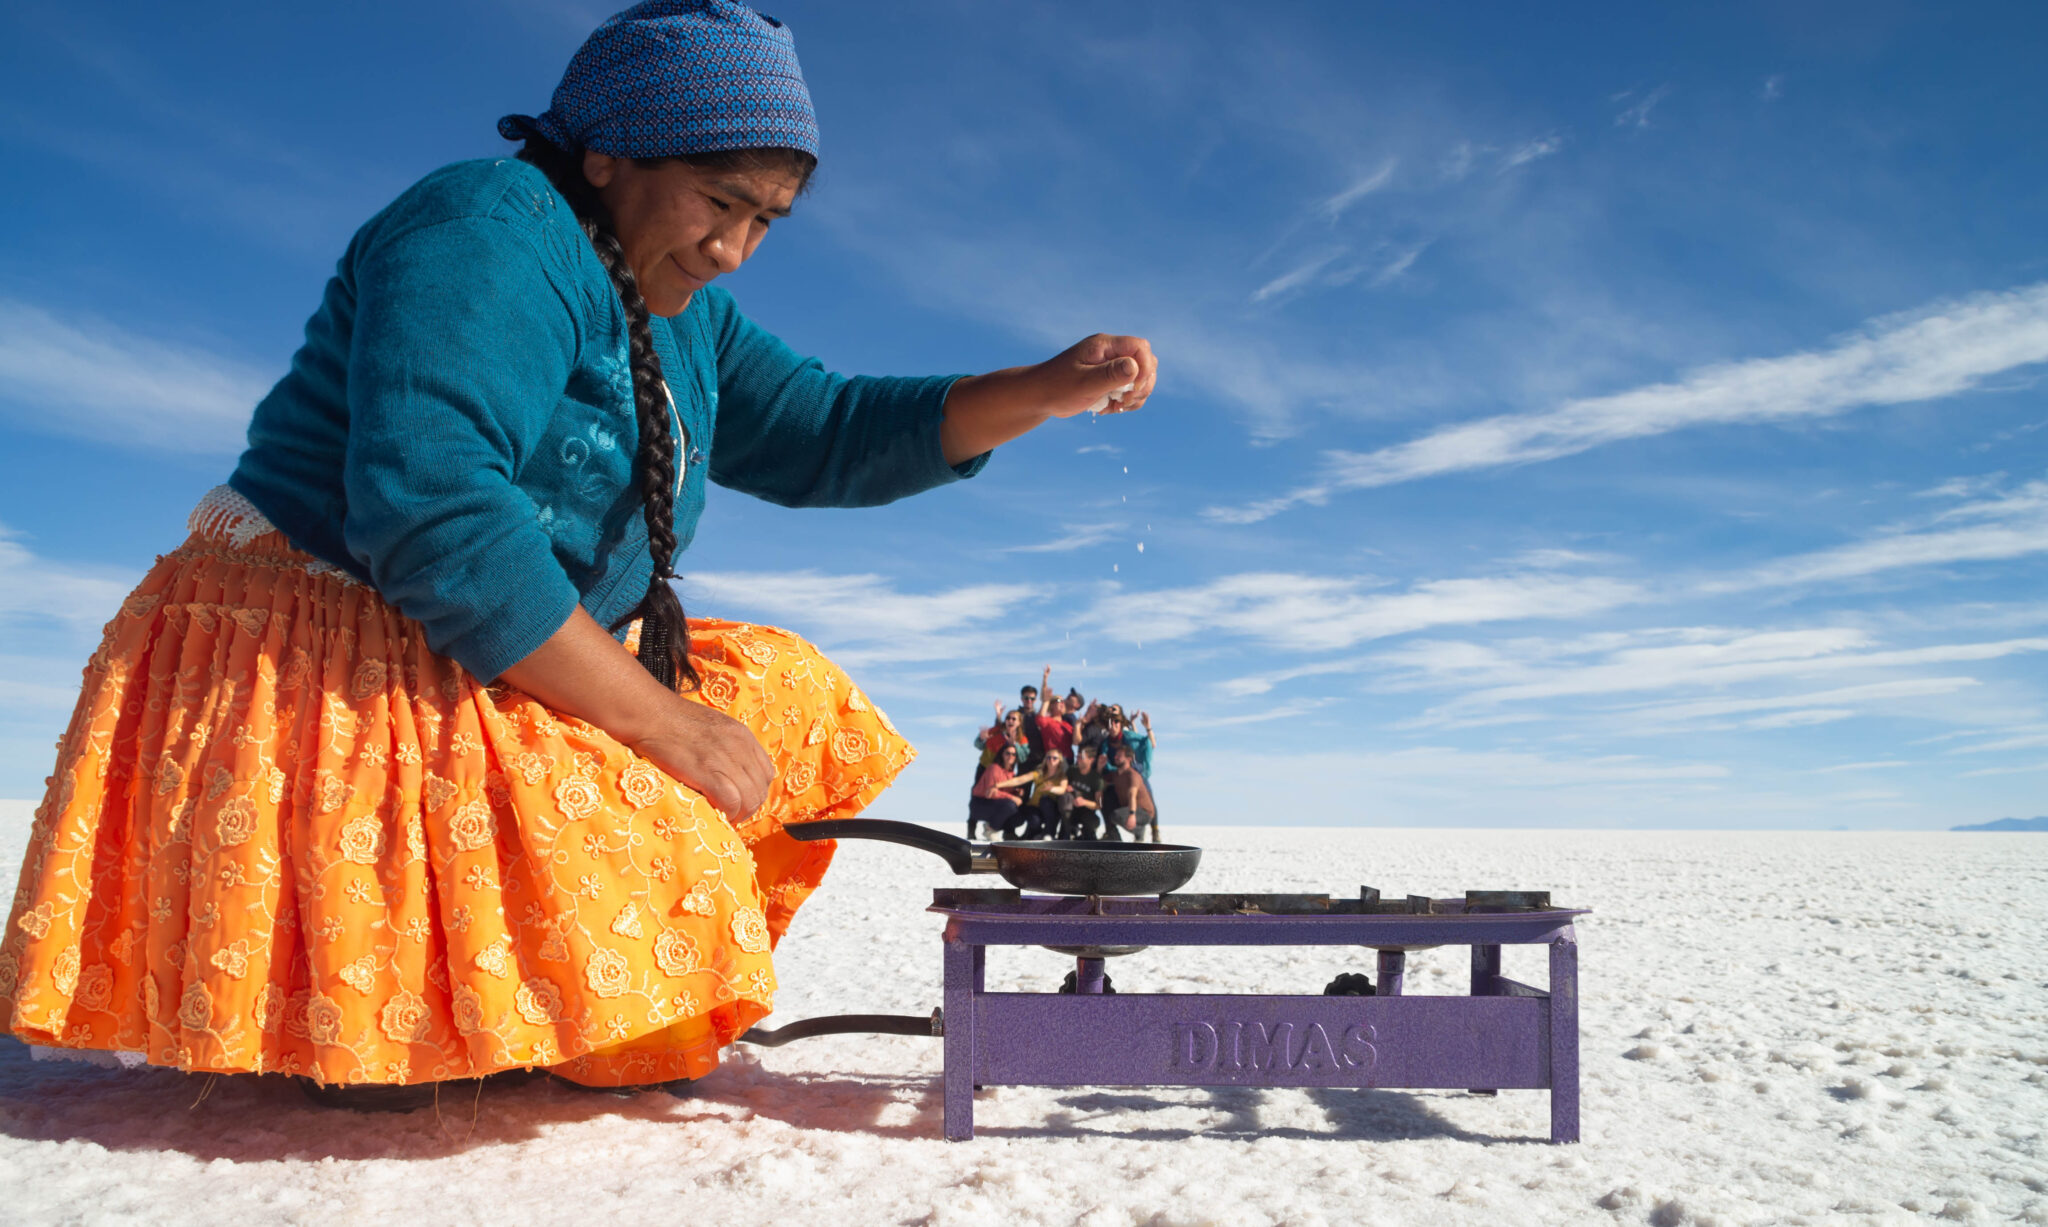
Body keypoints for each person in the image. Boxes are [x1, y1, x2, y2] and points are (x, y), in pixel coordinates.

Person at [0, 0, 1158, 1111]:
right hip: (345, 650)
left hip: (490, 647)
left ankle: (537, 1008)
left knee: (790, 698)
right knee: (597, 865)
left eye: (764, 219)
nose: (734, 248)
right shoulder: (483, 233)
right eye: (717, 201)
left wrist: (1046, 391)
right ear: (607, 153)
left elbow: (823, 430)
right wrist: (660, 723)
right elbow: (434, 512)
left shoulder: (679, 303)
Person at [969, 743, 1033, 840]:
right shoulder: (993, 768)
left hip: (996, 805)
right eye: (1008, 753)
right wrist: (1012, 797)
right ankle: (990, 829)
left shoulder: (1011, 773)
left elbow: (1003, 792)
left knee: (1019, 815)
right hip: (980, 804)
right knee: (1010, 805)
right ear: (1001, 754)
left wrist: (1016, 792)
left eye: (1014, 754)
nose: (1011, 756)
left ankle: (1007, 832)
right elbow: (990, 793)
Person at [1102, 743, 1159, 843]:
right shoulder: (1116, 774)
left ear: (1129, 759)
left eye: (1119, 756)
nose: (1116, 757)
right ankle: (1114, 837)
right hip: (1129, 808)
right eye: (1116, 755)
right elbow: (1102, 784)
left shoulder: (1133, 775)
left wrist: (1132, 814)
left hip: (1144, 812)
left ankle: (1139, 831)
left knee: (1116, 815)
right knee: (1106, 799)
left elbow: (1132, 795)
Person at [1024, 749, 1071, 840]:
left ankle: (1049, 833)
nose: (1051, 760)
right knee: (1034, 821)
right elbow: (1020, 779)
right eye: (1048, 757)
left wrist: (1052, 789)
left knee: (1046, 801)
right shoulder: (1039, 773)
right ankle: (1035, 835)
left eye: (1054, 758)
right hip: (1035, 807)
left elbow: (1062, 789)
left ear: (1060, 761)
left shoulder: (1062, 776)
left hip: (1050, 809)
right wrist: (998, 784)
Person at [1063, 743, 1105, 839]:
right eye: (1077, 756)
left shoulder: (1097, 779)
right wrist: (1067, 789)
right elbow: (1064, 785)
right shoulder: (1072, 771)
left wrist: (1084, 802)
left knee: (1089, 824)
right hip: (1070, 809)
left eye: (1081, 757)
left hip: (1087, 813)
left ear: (1091, 760)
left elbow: (1099, 805)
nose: (1078, 759)